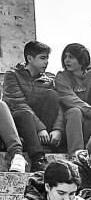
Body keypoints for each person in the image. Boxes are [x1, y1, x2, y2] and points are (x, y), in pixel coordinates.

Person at [3, 40, 61, 170]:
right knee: (24, 113)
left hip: (40, 129)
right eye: (42, 58)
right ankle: (38, 159)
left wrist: (58, 129)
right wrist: (40, 128)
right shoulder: (12, 75)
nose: (46, 62)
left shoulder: (48, 81)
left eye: (47, 58)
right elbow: (17, 104)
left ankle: (45, 145)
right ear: (30, 58)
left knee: (52, 95)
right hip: (17, 122)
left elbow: (59, 108)